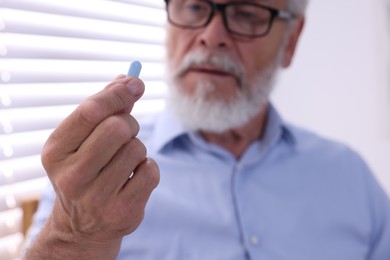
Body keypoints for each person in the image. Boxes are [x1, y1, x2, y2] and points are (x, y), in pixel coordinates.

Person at [24, 0, 390, 259]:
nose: (212, 36)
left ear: (290, 41)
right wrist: (74, 236)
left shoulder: (350, 178)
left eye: (247, 13)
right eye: (196, 7)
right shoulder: (97, 179)